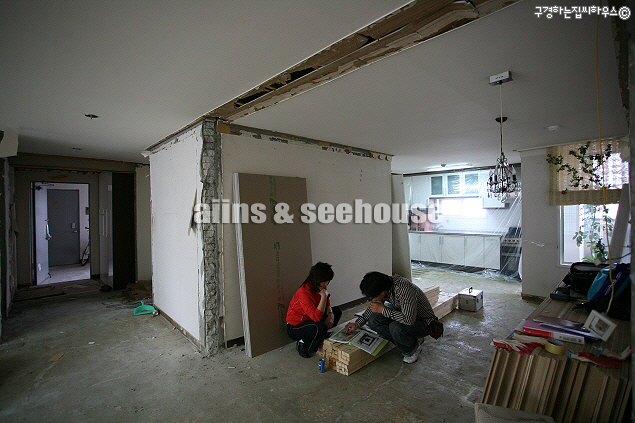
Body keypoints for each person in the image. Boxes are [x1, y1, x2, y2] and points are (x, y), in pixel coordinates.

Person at [344, 271, 442, 364]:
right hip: (404, 316)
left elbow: (409, 320)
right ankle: (410, 339)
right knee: (373, 321)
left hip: (423, 323)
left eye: (372, 296)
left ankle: (413, 349)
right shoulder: (384, 285)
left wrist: (383, 310)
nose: (371, 299)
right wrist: (357, 324)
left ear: (382, 292)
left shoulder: (404, 289)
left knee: (395, 327)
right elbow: (373, 307)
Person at [286, 262, 342, 358]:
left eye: (327, 281)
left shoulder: (321, 285)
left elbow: (327, 301)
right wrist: (323, 297)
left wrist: (330, 314)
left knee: (337, 311)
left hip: (311, 319)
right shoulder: (304, 292)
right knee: (320, 327)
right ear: (316, 279)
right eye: (324, 281)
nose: (326, 284)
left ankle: (320, 337)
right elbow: (316, 318)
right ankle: (303, 342)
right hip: (296, 326)